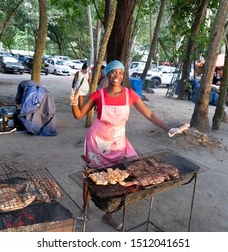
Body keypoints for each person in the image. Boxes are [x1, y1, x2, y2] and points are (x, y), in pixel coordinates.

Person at [70, 60, 188, 230]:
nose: (116, 76)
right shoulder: (99, 95)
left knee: (121, 177)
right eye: (113, 72)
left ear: (123, 75)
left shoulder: (130, 95)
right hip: (97, 141)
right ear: (107, 74)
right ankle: (85, 208)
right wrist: (74, 100)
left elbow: (150, 115)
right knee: (90, 176)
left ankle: (108, 215)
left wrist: (169, 129)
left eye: (120, 73)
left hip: (118, 142)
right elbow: (79, 114)